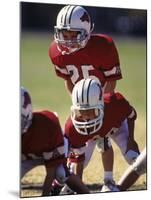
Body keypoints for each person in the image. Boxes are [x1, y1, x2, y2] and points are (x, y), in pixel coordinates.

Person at [48, 4, 123, 189]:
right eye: (64, 34)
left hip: (101, 101)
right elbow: (68, 80)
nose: (68, 40)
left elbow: (111, 81)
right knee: (76, 148)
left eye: (74, 34)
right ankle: (69, 181)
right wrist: (81, 106)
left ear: (87, 31)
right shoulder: (56, 51)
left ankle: (108, 179)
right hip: (82, 105)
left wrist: (100, 106)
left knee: (104, 140)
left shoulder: (103, 46)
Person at [61, 78, 140, 193]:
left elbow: (132, 115)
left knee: (133, 157)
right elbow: (78, 157)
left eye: (89, 111)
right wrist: (78, 184)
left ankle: (109, 181)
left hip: (113, 126)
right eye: (81, 111)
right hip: (92, 134)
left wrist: (131, 139)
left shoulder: (115, 104)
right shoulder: (72, 127)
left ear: (100, 104)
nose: (85, 117)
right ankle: (69, 186)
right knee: (71, 169)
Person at [21, 87, 90, 196]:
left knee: (61, 174)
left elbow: (51, 172)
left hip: (47, 152)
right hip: (25, 158)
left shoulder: (46, 126)